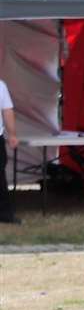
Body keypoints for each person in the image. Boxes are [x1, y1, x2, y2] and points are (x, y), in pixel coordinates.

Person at [0, 75, 16, 223]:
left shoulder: (1, 86)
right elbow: (7, 111)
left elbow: (7, 111)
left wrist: (12, 134)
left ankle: (4, 214)